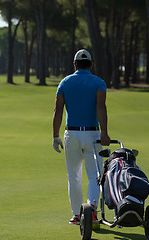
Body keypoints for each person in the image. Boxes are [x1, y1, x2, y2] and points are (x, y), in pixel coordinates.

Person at [52, 49, 110, 227]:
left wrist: (55, 136)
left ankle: (78, 215)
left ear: (75, 64)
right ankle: (91, 212)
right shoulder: (98, 83)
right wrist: (104, 132)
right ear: (91, 64)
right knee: (95, 176)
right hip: (93, 134)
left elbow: (58, 110)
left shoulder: (65, 82)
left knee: (74, 176)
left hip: (72, 134)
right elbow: (101, 108)